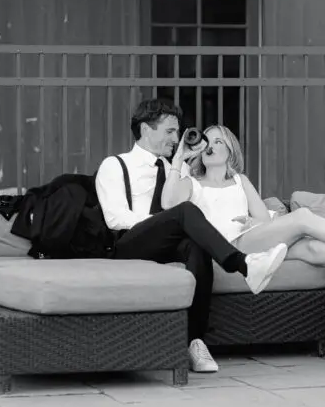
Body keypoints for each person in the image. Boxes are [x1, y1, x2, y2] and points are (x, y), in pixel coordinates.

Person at [95, 99, 288, 375]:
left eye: (178, 132)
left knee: (198, 247)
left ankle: (195, 342)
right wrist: (165, 222)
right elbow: (115, 217)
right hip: (128, 244)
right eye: (170, 131)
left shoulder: (179, 167)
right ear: (146, 130)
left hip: (168, 244)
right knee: (185, 212)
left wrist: (178, 163)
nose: (176, 138)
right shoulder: (115, 165)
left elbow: (176, 205)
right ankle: (243, 265)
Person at [160, 124, 325, 269]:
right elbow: (168, 203)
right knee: (303, 218)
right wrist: (179, 159)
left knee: (313, 249)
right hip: (227, 247)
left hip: (251, 240)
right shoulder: (191, 183)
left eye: (219, 142)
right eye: (208, 141)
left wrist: (254, 223)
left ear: (230, 151)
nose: (212, 145)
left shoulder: (241, 180)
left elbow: (263, 220)